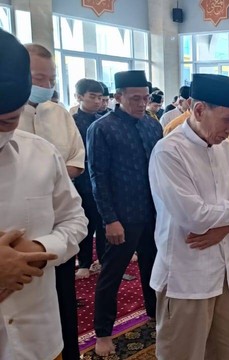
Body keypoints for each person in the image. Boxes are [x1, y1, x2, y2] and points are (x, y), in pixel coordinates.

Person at [149, 73, 229, 360]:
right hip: (186, 276)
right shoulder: (168, 151)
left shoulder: (221, 149)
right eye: (228, 119)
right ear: (199, 110)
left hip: (225, 272)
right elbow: (194, 216)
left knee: (226, 353)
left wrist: (227, 226)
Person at [0, 29, 87, 360]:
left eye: (7, 121)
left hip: (39, 336)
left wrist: (39, 248)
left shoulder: (40, 154)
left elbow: (74, 220)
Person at [87, 70, 163, 356]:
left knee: (153, 267)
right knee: (112, 274)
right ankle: (103, 332)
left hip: (153, 213)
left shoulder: (152, 126)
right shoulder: (103, 128)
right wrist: (110, 220)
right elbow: (98, 177)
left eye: (145, 98)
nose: (142, 103)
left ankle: (155, 315)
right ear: (118, 97)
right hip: (122, 216)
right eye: (135, 98)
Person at [18, 44, 85, 180]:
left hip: (60, 194)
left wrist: (52, 179)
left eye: (52, 80)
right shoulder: (7, 116)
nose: (47, 86)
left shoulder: (60, 113)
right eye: (39, 78)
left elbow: (77, 159)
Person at [73, 79, 108, 280]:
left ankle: (103, 260)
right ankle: (84, 262)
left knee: (104, 222)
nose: (97, 101)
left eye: (100, 97)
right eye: (92, 97)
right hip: (82, 180)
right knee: (87, 224)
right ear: (79, 97)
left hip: (102, 179)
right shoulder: (73, 122)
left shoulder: (104, 120)